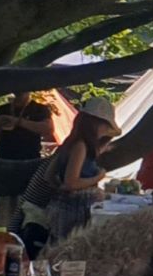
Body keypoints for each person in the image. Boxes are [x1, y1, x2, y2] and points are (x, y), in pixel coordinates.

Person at [13, 98, 118, 252]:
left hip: (59, 208)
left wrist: (59, 188)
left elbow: (49, 175)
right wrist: (98, 177)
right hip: (72, 210)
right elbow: (71, 182)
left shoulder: (71, 142)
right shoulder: (80, 146)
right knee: (68, 252)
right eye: (104, 126)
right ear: (95, 124)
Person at [0, 90, 53, 226]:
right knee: (6, 214)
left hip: (29, 164)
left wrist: (19, 122)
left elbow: (48, 128)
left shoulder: (39, 109)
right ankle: (8, 238)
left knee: (28, 211)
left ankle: (25, 237)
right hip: (5, 164)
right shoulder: (2, 110)